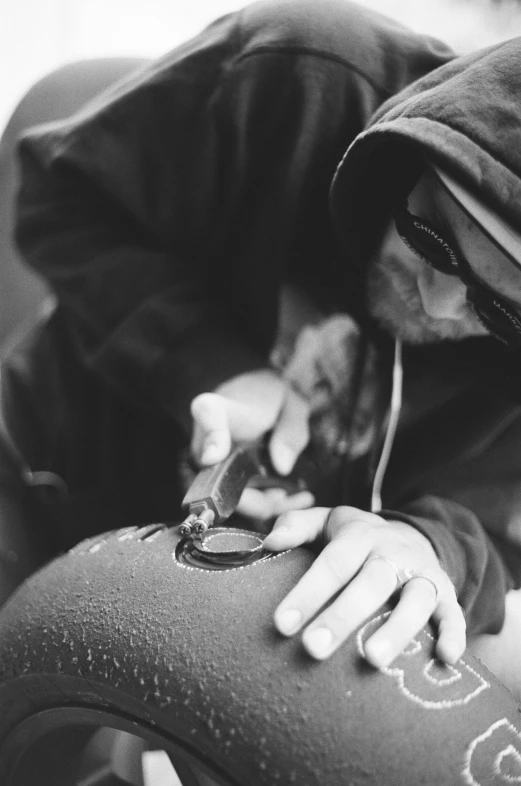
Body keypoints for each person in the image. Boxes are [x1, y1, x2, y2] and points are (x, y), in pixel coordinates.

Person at [2, 0, 521, 697]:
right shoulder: (299, 70)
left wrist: (431, 545)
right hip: (50, 478)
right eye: (430, 241)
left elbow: (494, 515)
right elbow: (56, 200)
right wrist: (209, 362)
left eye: (496, 306)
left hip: (254, 618)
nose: (434, 303)